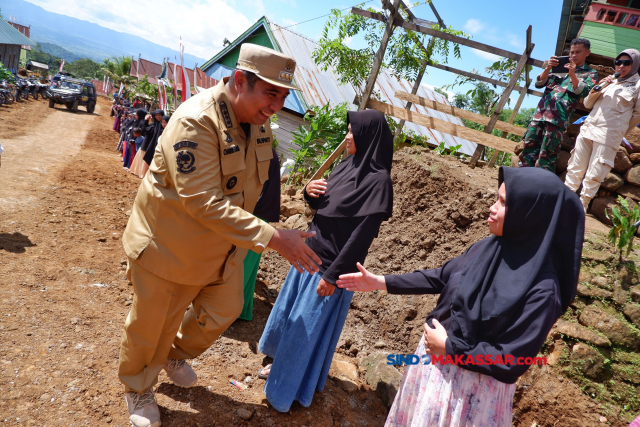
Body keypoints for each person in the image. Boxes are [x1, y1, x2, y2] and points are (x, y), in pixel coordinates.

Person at [118, 43, 322, 427]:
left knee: (223, 309)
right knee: (152, 322)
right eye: (271, 93)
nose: (277, 105)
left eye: (283, 96)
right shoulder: (196, 121)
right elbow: (203, 203)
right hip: (170, 244)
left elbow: (254, 186)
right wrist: (273, 237)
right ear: (240, 80)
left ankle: (170, 354)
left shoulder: (258, 123)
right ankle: (138, 386)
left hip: (221, 247)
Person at [337, 167, 584, 427]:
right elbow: (441, 276)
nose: (491, 208)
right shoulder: (486, 249)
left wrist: (450, 348)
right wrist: (380, 282)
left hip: (471, 398)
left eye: (502, 203)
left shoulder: (543, 291)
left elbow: (511, 361)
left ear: (530, 216)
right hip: (431, 373)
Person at [258, 110, 394, 412]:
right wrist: (309, 194)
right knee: (289, 319)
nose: (346, 137)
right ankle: (279, 366)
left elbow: (361, 237)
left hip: (329, 268)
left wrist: (333, 277)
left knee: (303, 332)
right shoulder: (348, 165)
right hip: (308, 255)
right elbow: (328, 208)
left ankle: (285, 389)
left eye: (351, 132)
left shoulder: (379, 181)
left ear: (368, 137)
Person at [565, 49, 640, 211]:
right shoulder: (609, 81)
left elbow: (637, 115)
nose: (621, 66)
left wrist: (619, 130)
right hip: (588, 129)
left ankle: (580, 209)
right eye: (618, 62)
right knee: (574, 168)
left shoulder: (637, 86)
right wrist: (597, 88)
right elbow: (587, 104)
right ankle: (563, 203)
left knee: (594, 174)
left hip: (608, 136)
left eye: (627, 63)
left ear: (635, 65)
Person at [518, 39, 598, 172]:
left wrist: (572, 74)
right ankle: (520, 183)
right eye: (572, 52)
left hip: (557, 121)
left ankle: (541, 190)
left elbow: (583, 91)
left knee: (547, 157)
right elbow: (539, 83)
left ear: (587, 53)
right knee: (527, 153)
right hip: (539, 116)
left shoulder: (590, 73)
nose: (574, 55)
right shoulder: (559, 68)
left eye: (578, 52)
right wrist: (548, 68)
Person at [238, 147, 281, 321]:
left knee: (240, 263)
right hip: (258, 215)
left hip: (251, 215)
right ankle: (240, 309)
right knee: (248, 264)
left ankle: (228, 309)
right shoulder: (266, 152)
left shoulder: (260, 153)